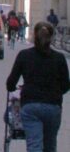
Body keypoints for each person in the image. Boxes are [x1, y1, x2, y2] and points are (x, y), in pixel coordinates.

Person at [6, 22, 69, 152]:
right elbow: (66, 86)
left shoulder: (24, 55)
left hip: (30, 105)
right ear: (51, 37)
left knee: (34, 145)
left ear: (35, 35)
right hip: (53, 106)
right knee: (50, 146)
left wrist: (15, 88)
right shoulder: (59, 58)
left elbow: (10, 83)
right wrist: (55, 92)